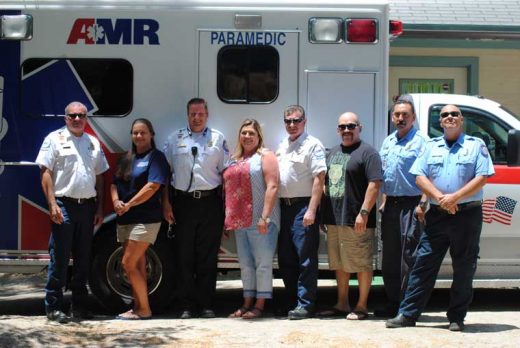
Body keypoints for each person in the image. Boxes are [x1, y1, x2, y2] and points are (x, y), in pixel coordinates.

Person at [386, 104, 495, 332]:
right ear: (440, 121)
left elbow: (482, 176)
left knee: (464, 267)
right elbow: (419, 176)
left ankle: (456, 317)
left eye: (454, 114)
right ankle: (408, 314)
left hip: (466, 215)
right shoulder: (431, 146)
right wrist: (440, 198)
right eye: (445, 115)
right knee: (423, 265)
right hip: (437, 215)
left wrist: (454, 198)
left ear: (461, 119)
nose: (449, 117)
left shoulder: (476, 145)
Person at [35, 101, 109, 323]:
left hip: (86, 207)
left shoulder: (93, 142)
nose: (77, 119)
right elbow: (46, 173)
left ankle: (79, 307)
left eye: (81, 115)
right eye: (72, 115)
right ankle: (54, 307)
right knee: (59, 257)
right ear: (65, 118)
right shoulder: (54, 139)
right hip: (64, 205)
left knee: (83, 258)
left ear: (87, 118)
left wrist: (98, 207)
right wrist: (52, 204)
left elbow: (100, 177)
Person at [162, 98, 229, 319]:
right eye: (192, 114)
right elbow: (165, 175)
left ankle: (206, 304)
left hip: (210, 203)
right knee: (184, 256)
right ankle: (186, 305)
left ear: (207, 115)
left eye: (200, 114)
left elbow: (225, 175)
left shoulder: (218, 139)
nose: (196, 117)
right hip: (183, 203)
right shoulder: (174, 139)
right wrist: (166, 203)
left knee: (207, 257)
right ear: (187, 115)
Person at [318, 112, 382, 320]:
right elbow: (325, 184)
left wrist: (364, 213)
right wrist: (323, 214)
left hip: (357, 219)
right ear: (338, 130)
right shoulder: (333, 152)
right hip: (334, 219)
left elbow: (375, 184)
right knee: (340, 263)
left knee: (361, 262)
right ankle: (342, 303)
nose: (347, 130)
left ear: (359, 128)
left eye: (351, 126)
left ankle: (362, 305)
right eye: (342, 127)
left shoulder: (368, 153)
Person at [111, 119, 170, 320]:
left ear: (151, 134)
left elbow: (153, 186)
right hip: (124, 218)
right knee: (137, 265)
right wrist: (116, 201)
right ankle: (137, 307)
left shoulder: (157, 157)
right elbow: (113, 183)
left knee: (127, 262)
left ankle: (144, 309)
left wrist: (129, 204)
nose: (138, 136)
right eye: (135, 133)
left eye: (143, 132)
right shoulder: (126, 158)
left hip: (146, 219)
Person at [222, 119, 280, 320]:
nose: (247, 137)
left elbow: (272, 186)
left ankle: (260, 304)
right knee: (245, 264)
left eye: (251, 133)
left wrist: (264, 217)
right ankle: (246, 302)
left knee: (262, 264)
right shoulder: (235, 158)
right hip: (240, 221)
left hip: (261, 220)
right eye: (244, 133)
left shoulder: (266, 156)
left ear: (258, 137)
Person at [375, 99, 428, 318]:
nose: (400, 118)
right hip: (392, 205)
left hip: (412, 204)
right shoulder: (388, 141)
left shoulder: (423, 142)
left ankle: (408, 306)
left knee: (409, 258)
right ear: (392, 117)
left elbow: (429, 174)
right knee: (390, 257)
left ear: (413, 117)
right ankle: (393, 302)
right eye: (397, 114)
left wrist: (423, 203)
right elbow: (388, 174)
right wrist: (385, 200)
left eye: (405, 114)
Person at [276, 105, 326, 320]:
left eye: (296, 120)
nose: (292, 125)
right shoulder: (282, 145)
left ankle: (306, 304)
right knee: (286, 258)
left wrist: (312, 210)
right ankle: (292, 300)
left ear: (305, 121)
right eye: (288, 121)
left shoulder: (313, 145)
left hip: (303, 207)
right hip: (283, 207)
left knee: (305, 259)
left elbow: (319, 178)